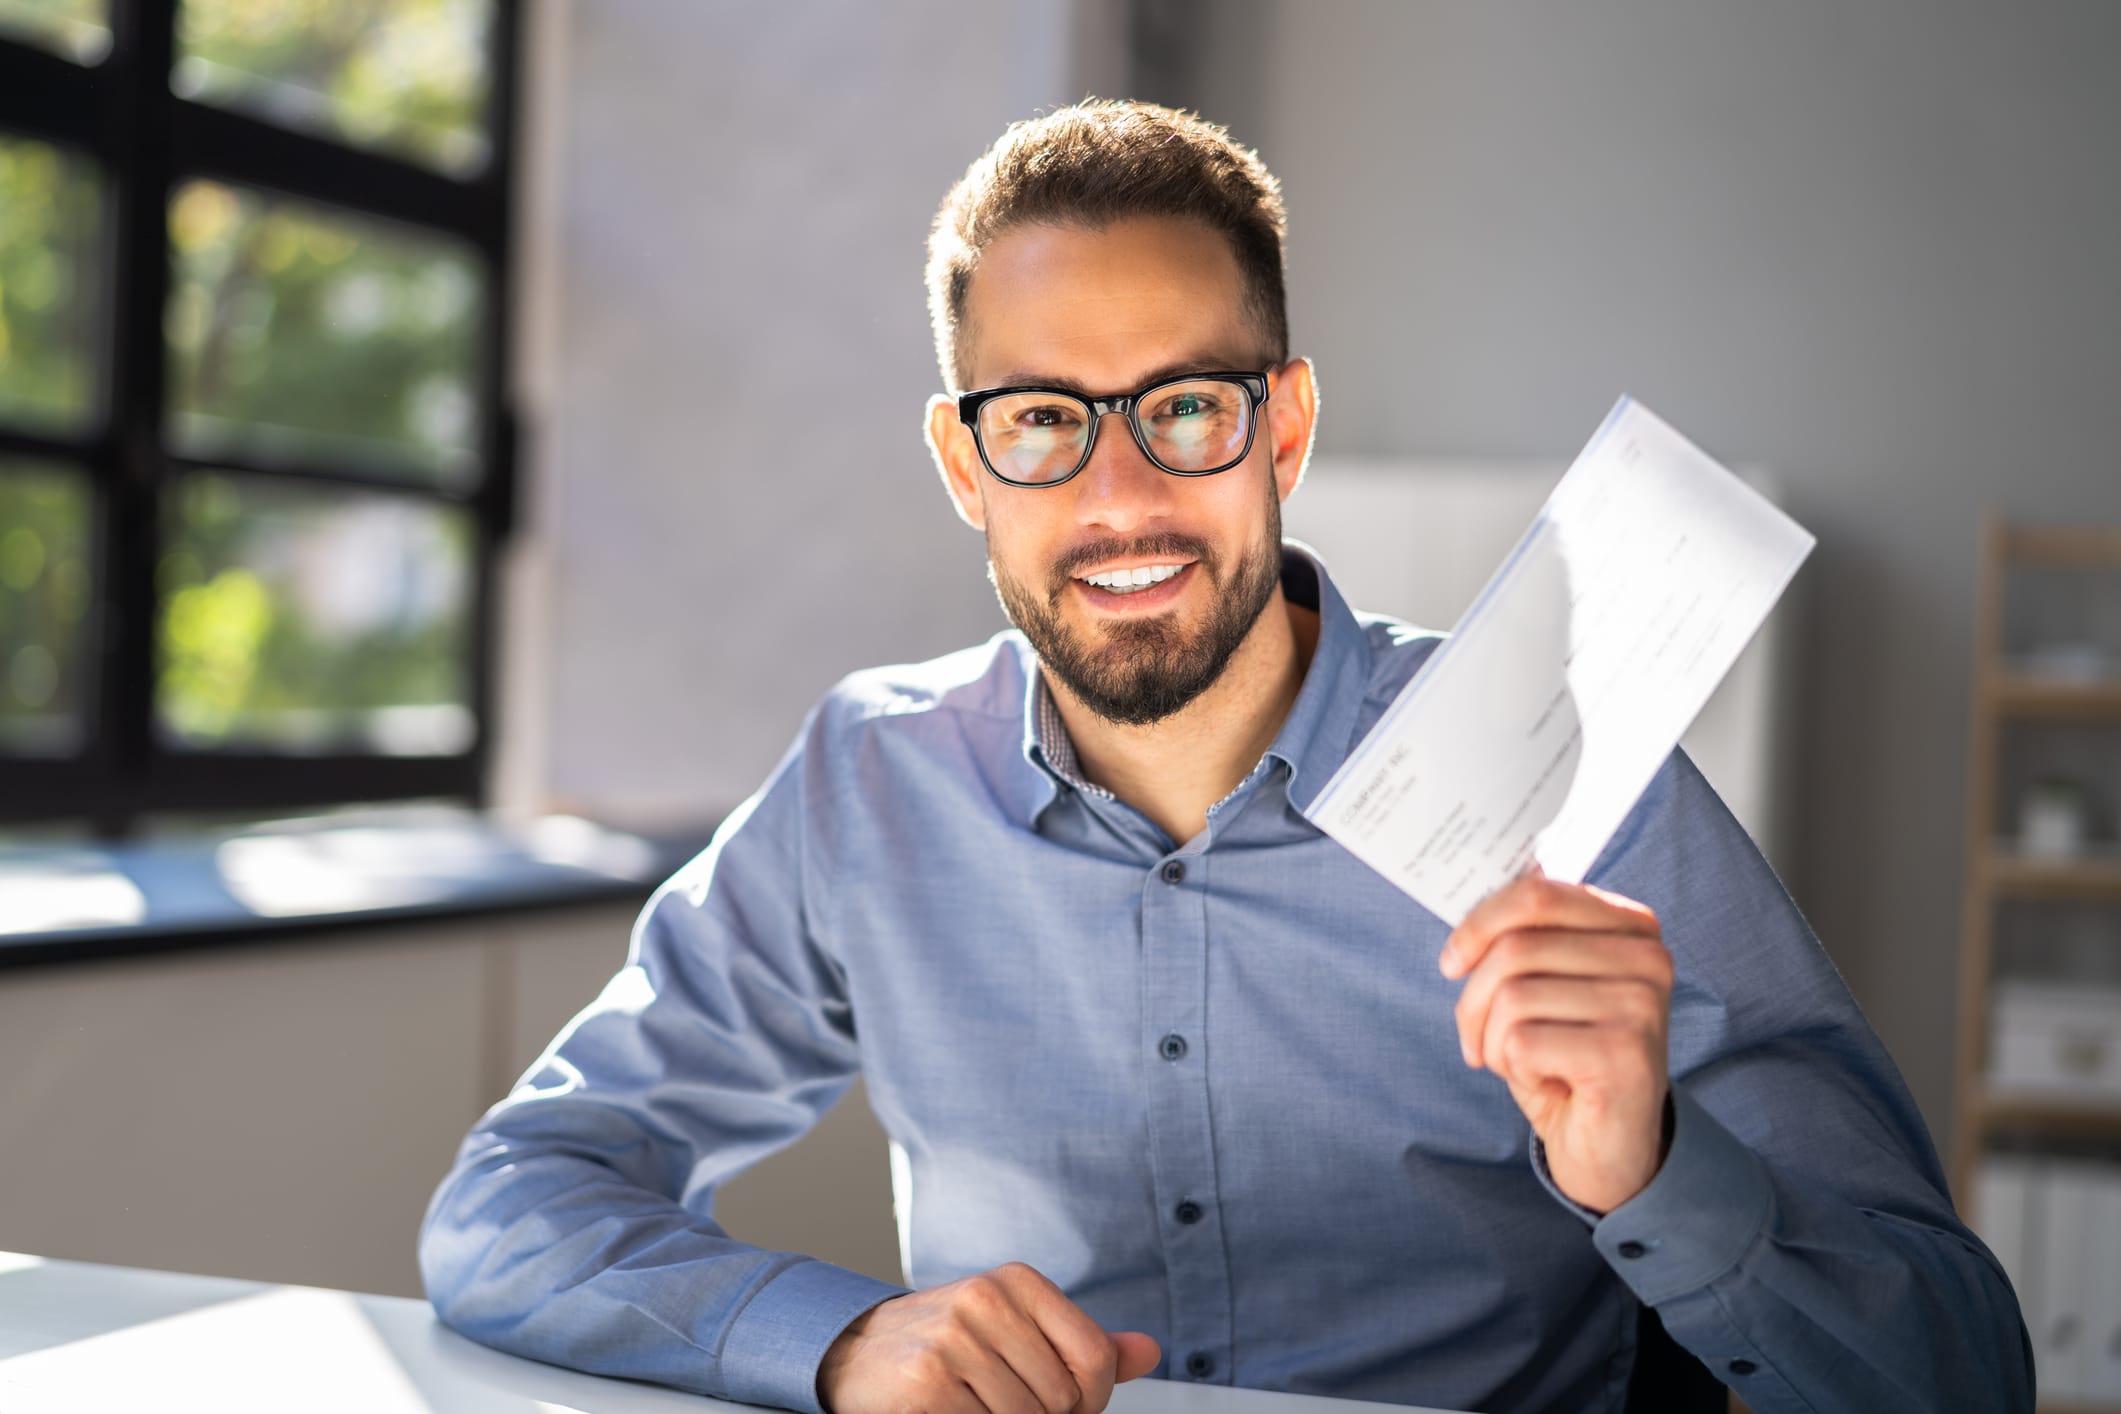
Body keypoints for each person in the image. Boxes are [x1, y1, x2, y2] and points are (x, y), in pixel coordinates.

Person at [420, 100, 2032, 1414]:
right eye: (1042, 420)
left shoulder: (1575, 779)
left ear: (1285, 424)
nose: (1117, 493)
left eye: (1183, 407)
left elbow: (1953, 1377)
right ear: (963, 464)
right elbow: (510, 1204)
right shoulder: (869, 782)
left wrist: (1655, 1162)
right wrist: (831, 1338)